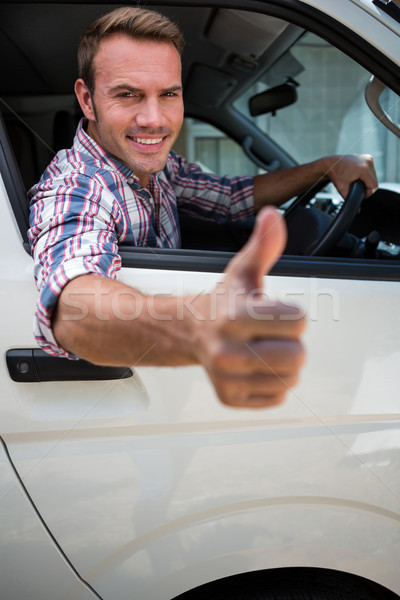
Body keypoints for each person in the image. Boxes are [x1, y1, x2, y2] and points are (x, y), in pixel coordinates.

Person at [28, 7, 378, 409]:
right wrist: (197, 331)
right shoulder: (75, 185)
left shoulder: (156, 166)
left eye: (169, 94)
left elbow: (230, 197)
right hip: (131, 388)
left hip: (169, 390)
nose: (154, 119)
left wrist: (325, 166)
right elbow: (72, 305)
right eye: (128, 95)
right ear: (88, 100)